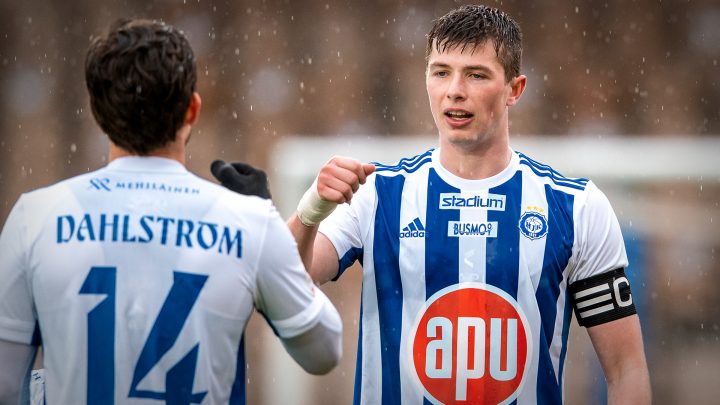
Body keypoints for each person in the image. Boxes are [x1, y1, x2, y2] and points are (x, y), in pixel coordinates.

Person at [215, 4, 651, 404]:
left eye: (476, 75)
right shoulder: (377, 194)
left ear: (515, 89)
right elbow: (286, 282)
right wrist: (310, 212)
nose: (454, 91)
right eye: (441, 72)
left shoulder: (577, 208)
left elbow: (625, 369)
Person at [0, 18, 342, 405]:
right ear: (192, 109)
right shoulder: (246, 221)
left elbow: (6, 384)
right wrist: (269, 235)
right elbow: (324, 350)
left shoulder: (36, 218)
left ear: (98, 112)